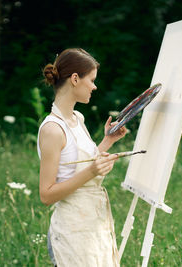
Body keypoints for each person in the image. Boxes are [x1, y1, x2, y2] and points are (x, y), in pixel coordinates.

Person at [37, 48, 127, 266]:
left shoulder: (78, 117)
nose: (95, 86)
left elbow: (81, 163)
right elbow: (46, 195)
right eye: (92, 80)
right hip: (71, 232)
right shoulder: (52, 130)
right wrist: (92, 171)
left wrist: (108, 141)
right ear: (75, 79)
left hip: (92, 224)